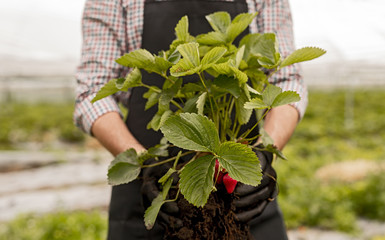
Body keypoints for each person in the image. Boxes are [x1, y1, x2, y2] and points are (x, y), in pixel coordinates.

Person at [74, 0, 308, 239]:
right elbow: (93, 91)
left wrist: (265, 153)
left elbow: (286, 79)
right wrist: (145, 165)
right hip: (154, 195)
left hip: (242, 196)